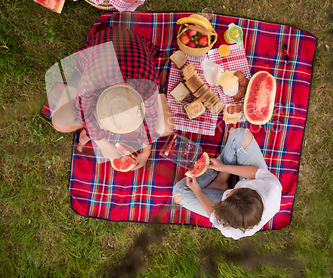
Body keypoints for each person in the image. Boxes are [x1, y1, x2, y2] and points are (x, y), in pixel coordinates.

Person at [51, 25, 175, 170]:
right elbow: (81, 109)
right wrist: (101, 142)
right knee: (59, 123)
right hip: (100, 46)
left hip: (134, 46)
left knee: (166, 128)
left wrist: (146, 150)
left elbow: (151, 117)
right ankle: (77, 78)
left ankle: (95, 126)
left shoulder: (148, 86)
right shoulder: (92, 82)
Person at [173, 128, 282, 239]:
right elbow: (255, 172)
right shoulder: (270, 187)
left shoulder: (230, 227)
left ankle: (218, 178)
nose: (227, 193)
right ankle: (221, 179)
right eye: (232, 191)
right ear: (251, 189)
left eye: (226, 196)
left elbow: (213, 213)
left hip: (226, 210)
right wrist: (223, 168)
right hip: (250, 179)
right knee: (240, 136)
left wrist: (197, 191)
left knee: (179, 194)